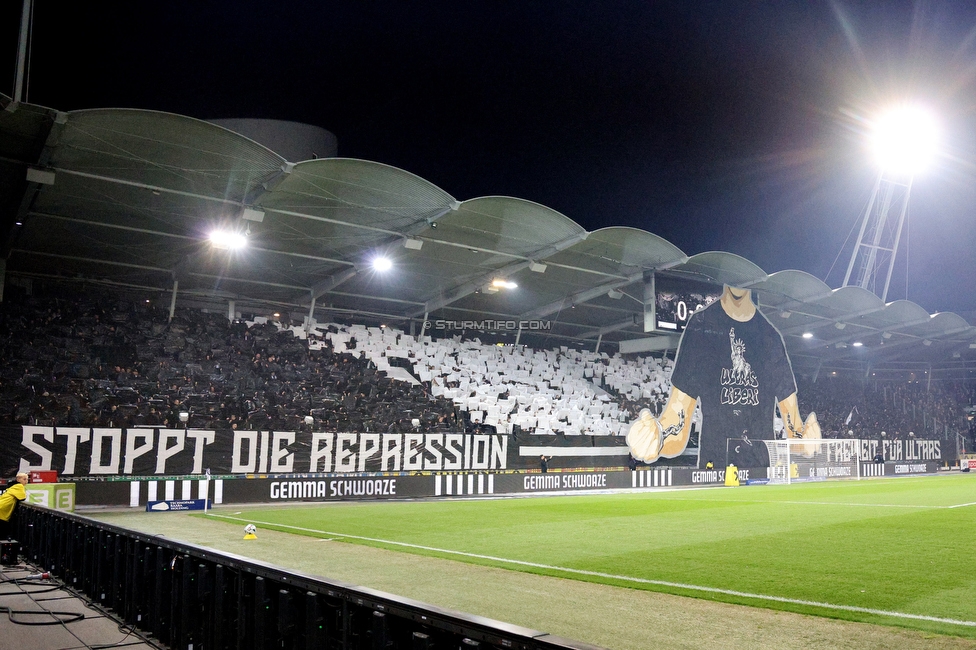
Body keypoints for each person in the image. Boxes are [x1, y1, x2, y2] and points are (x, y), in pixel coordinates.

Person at [628, 285, 820, 469]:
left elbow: (794, 431)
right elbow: (677, 424)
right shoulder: (701, 326)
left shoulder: (770, 337)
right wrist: (658, 437)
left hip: (760, 472)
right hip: (714, 470)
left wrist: (805, 441)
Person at [0, 473, 29, 540]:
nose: (26, 481)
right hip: (2, 511)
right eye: (24, 479)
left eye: (27, 479)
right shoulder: (19, 486)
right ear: (18, 479)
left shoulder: (12, 486)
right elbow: (22, 497)